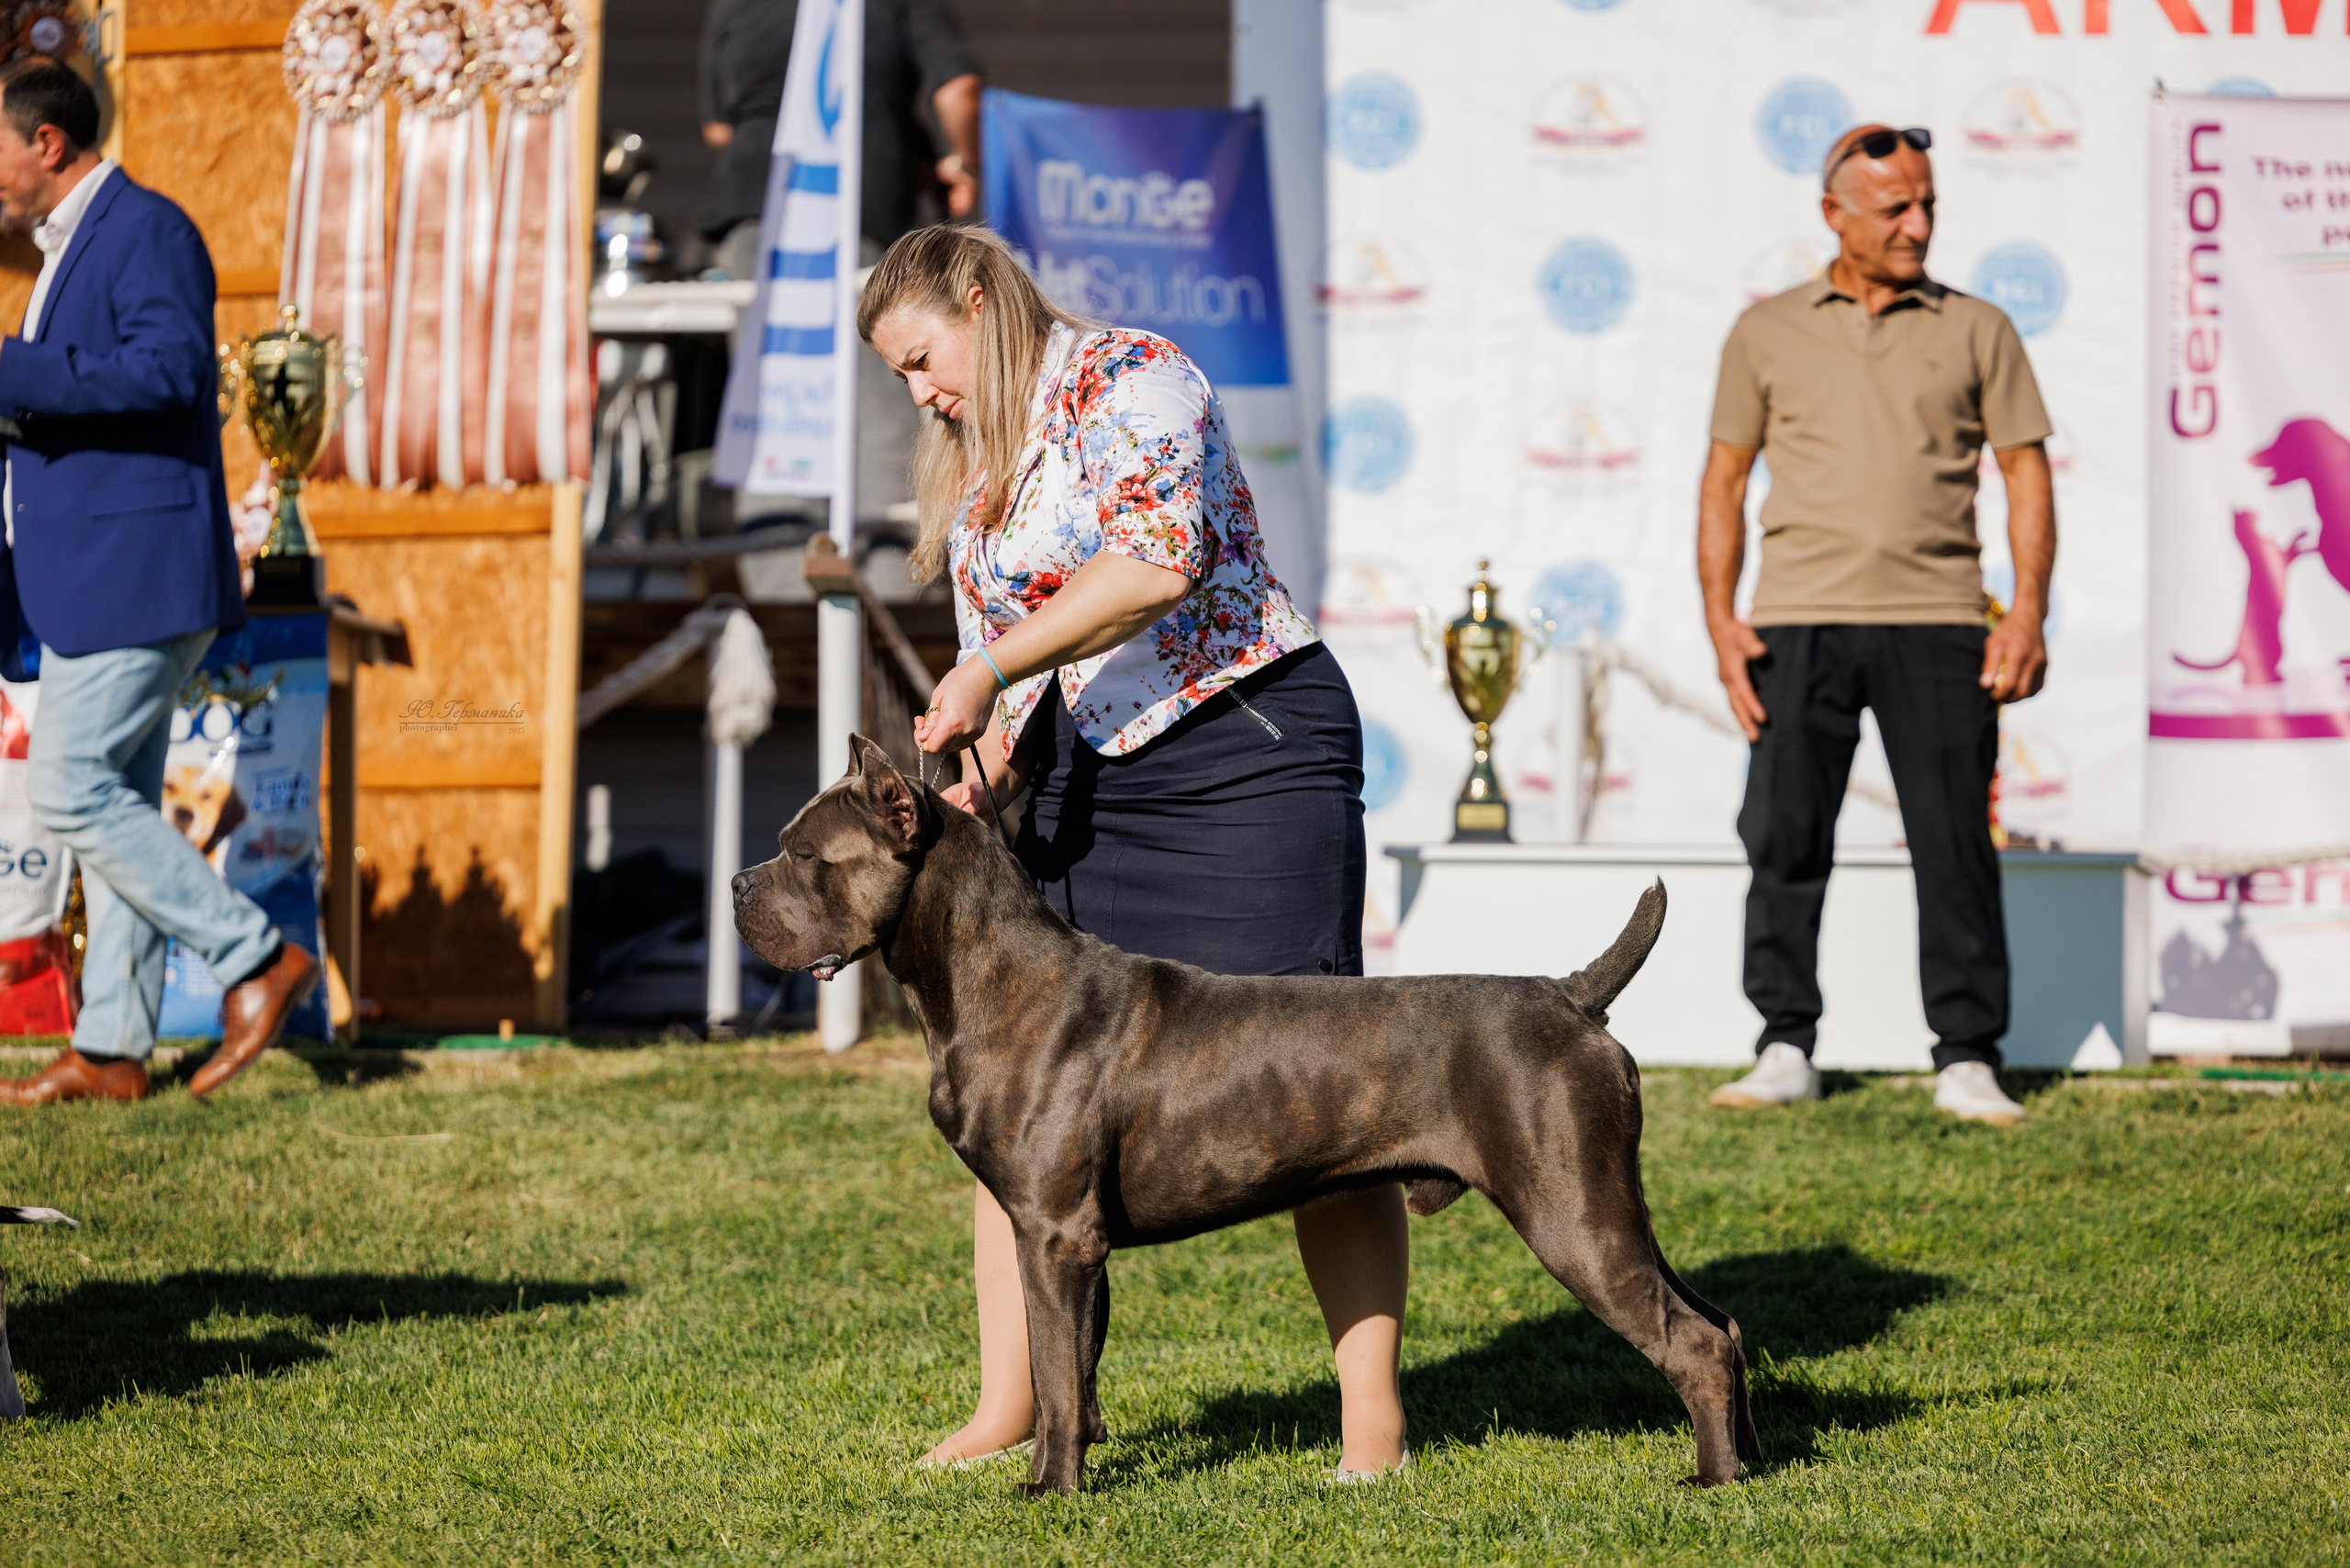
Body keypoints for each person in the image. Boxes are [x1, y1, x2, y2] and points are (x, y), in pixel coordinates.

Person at [860, 225, 1411, 1479]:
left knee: (1329, 1085)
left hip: (1244, 747)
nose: (919, 393)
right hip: (1084, 780)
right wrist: (969, 785)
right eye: (898, 377)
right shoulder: (979, 468)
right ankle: (1020, 1405)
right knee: (1017, 1092)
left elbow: (1155, 567)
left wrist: (987, 666)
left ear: (981, 299)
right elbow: (1001, 693)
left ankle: (1371, 1419)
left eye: (922, 358)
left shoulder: (1139, 377)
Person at [1697, 123, 2055, 1127]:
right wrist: (1721, 622)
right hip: (1793, 622)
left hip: (1941, 620)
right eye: (1895, 206)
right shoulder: (1764, 331)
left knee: (1953, 842)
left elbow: (2026, 469)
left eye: (1928, 203)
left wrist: (2024, 609)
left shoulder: (1978, 327)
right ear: (1833, 215)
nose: (1917, 223)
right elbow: (1722, 481)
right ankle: (1782, 1041)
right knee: (1781, 837)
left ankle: (1968, 1054)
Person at [0, 60, 317, 1107]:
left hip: (135, 575)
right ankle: (114, 1046)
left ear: (46, 143)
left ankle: (255, 958)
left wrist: (9, 369)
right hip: (100, 575)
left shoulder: (147, 229)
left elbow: (174, 371)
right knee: (123, 796)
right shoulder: (69, 246)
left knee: (69, 787)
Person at [698, 0, 982, 278]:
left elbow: (719, 129)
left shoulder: (732, 4)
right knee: (858, 321)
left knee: (761, 322)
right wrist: (962, 162)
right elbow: (957, 91)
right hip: (863, 202)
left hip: (757, 195)